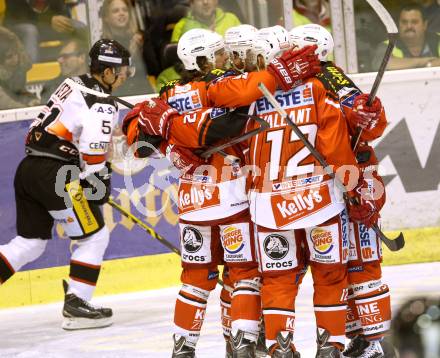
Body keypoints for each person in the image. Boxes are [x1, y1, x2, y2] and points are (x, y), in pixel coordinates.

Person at [123, 26, 319, 357]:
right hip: (230, 196)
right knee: (244, 271)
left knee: (194, 279)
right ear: (200, 59)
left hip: (192, 201)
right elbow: (241, 106)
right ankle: (242, 344)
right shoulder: (219, 84)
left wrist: (168, 139)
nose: (225, 58)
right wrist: (274, 75)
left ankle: (183, 349)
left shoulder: (167, 94)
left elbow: (139, 142)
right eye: (218, 54)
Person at [0, 39, 132, 330]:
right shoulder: (101, 103)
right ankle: (77, 303)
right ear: (107, 72)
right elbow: (94, 151)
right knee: (94, 237)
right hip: (57, 175)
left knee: (30, 244)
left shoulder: (73, 83)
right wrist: (98, 182)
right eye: (122, 70)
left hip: (30, 168)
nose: (125, 76)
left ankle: (76, 301)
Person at [290, 24, 392, 358]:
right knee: (339, 264)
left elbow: (372, 125)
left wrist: (365, 115)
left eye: (296, 48)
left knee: (361, 261)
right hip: (329, 185)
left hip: (355, 177)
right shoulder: (295, 84)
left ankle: (374, 339)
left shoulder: (331, 78)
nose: (289, 54)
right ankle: (356, 335)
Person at [4, 0, 87, 62]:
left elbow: (61, 10)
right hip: (18, 25)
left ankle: (87, 69)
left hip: (46, 26)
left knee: (78, 27)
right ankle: (32, 77)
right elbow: (19, 14)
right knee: (30, 31)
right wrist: (49, 19)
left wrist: (61, 20)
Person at [100, 0, 152, 95]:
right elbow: (110, 82)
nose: (122, 13)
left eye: (125, 10)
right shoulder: (103, 46)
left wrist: (143, 50)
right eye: (116, 11)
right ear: (106, 17)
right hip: (120, 98)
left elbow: (154, 69)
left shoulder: (141, 36)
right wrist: (131, 55)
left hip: (145, 95)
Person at [373, 3, 440, 70]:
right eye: (404, 22)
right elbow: (381, 64)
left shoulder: (438, 39)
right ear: (398, 25)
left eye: (414, 22)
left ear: (425, 25)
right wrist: (427, 62)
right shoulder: (388, 45)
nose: (409, 26)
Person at [0, 25, 39, 109]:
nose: (16, 59)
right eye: (9, 57)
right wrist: (26, 108)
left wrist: (31, 100)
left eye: (16, 54)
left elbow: (19, 92)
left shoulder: (18, 70)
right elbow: (4, 102)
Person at [41, 37, 88, 102]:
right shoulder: (50, 87)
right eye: (59, 57)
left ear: (81, 58)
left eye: (65, 56)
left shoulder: (99, 82)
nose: (59, 60)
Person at [171, 0, 241, 42]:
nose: (205, 2)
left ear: (216, 1)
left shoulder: (231, 19)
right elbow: (178, 61)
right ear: (191, 3)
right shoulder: (181, 26)